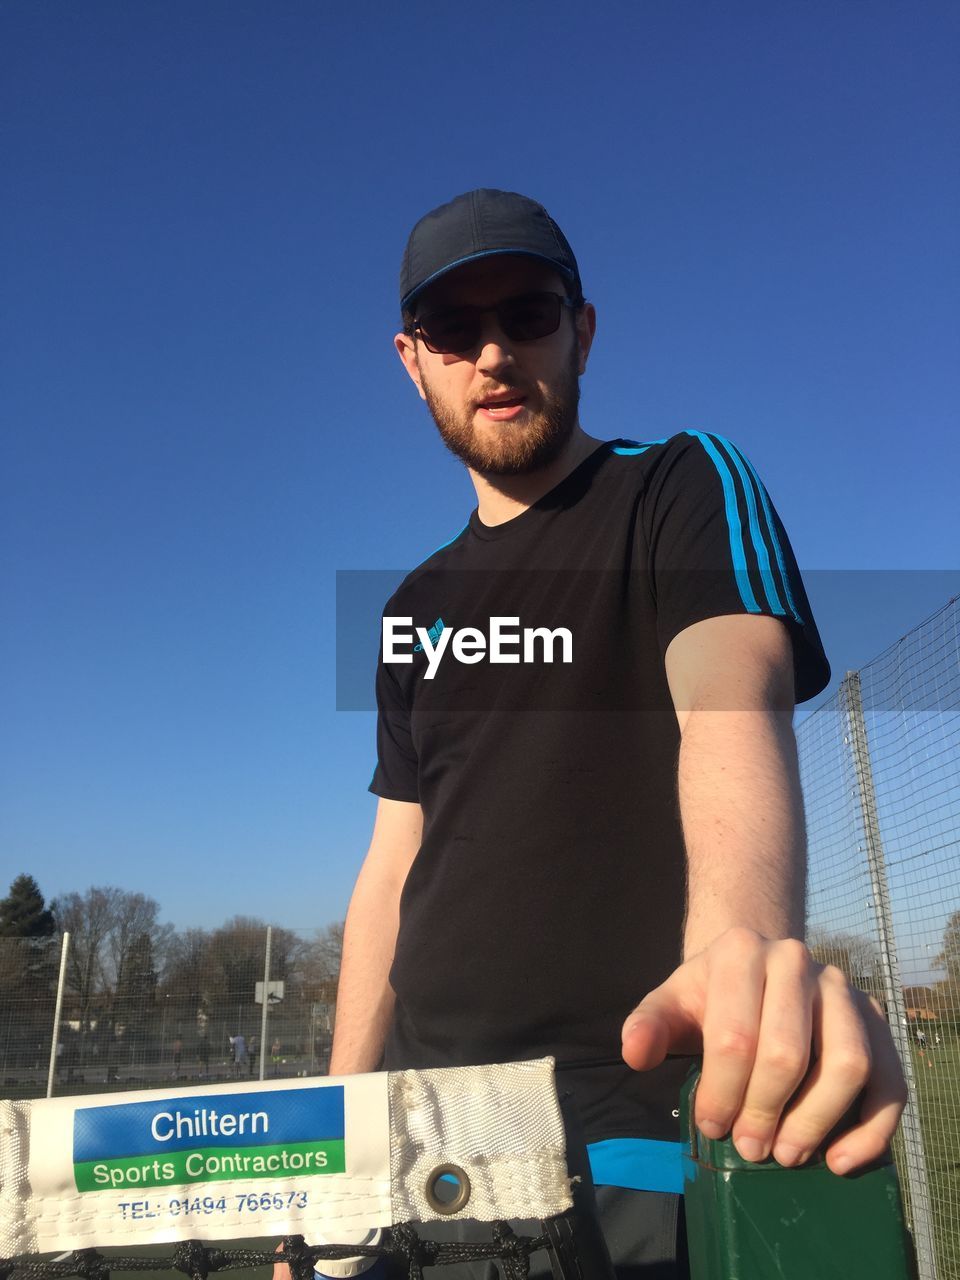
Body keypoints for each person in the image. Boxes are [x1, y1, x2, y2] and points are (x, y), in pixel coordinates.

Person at [327, 190, 907, 1277]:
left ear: (581, 329)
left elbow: (731, 703)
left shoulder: (680, 484)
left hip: (618, 1138)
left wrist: (740, 945)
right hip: (416, 1148)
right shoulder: (412, 605)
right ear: (413, 359)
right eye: (456, 329)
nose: (494, 350)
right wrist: (335, 1142)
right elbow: (390, 868)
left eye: (529, 313)